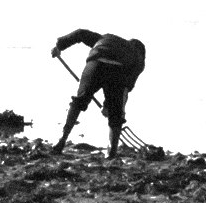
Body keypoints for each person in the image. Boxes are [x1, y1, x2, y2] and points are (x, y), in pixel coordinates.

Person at [50, 28, 145, 158]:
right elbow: (125, 87)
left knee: (79, 101)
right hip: (118, 70)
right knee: (115, 115)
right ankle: (111, 153)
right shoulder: (138, 58)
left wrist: (59, 46)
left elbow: (80, 33)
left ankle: (61, 141)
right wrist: (111, 108)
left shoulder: (105, 38)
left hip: (96, 63)